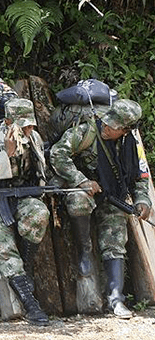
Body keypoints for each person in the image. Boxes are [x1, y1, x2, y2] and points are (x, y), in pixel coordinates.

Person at [50, 98, 151, 318]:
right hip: (84, 189)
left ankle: (116, 299)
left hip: (111, 195)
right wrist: (80, 179)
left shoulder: (132, 145)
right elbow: (57, 154)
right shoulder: (87, 132)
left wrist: (143, 200)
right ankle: (85, 251)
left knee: (116, 233)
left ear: (125, 130)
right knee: (79, 201)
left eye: (112, 127)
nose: (106, 128)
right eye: (106, 123)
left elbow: (140, 176)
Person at [0, 98, 50, 325]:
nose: (29, 129)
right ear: (8, 121)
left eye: (30, 125)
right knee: (2, 249)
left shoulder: (34, 138)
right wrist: (6, 154)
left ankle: (26, 268)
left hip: (21, 197)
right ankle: (31, 304)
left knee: (39, 214)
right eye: (23, 125)